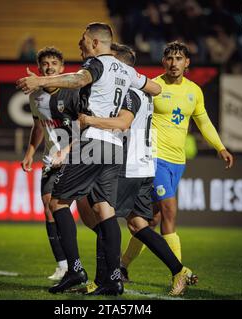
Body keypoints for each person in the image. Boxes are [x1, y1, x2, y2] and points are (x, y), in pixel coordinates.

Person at [16, 22, 161, 295]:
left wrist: (41, 80)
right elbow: (155, 89)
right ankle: (114, 279)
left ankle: (75, 270)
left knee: (57, 203)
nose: (80, 45)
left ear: (95, 43)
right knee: (104, 210)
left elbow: (79, 80)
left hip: (92, 142)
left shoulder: (97, 64)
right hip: (116, 148)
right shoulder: (126, 70)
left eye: (83, 40)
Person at [78, 42, 191, 296]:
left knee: (103, 215)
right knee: (138, 225)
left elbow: (123, 125)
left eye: (114, 63)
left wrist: (88, 121)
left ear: (123, 66)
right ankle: (178, 269)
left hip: (129, 166)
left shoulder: (129, 92)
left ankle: (102, 279)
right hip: (144, 166)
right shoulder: (145, 93)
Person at [120, 41, 234, 279]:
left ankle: (121, 267)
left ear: (187, 63)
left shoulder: (194, 91)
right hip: (155, 158)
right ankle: (179, 272)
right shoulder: (153, 87)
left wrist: (220, 147)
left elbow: (203, 122)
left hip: (177, 162)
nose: (174, 63)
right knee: (170, 211)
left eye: (179, 59)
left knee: (151, 221)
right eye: (170, 59)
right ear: (164, 61)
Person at [21, 47, 79, 282]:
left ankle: (102, 264)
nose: (49, 67)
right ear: (39, 68)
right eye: (45, 64)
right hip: (50, 159)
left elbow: (82, 127)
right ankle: (63, 265)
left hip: (76, 157)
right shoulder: (35, 97)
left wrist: (67, 151)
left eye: (54, 63)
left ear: (62, 68)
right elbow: (38, 126)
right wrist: (29, 153)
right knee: (48, 207)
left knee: (90, 213)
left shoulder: (73, 92)